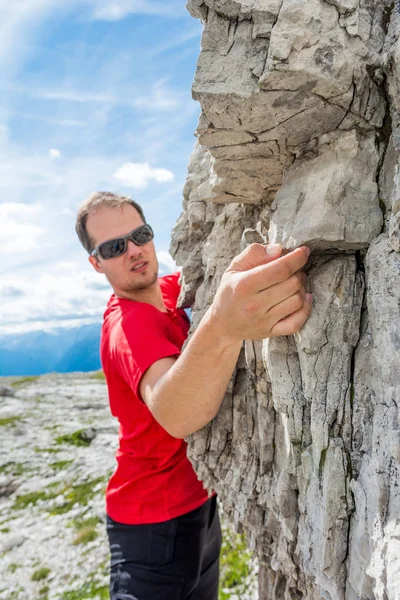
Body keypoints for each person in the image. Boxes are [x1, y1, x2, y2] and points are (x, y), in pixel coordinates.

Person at [75, 191, 312, 600]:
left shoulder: (171, 292)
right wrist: (224, 324)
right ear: (96, 262)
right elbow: (176, 412)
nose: (133, 250)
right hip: (149, 525)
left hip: (199, 505)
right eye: (114, 247)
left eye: (140, 234)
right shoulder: (126, 326)